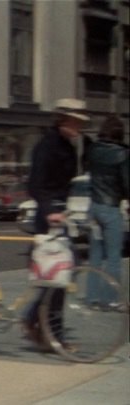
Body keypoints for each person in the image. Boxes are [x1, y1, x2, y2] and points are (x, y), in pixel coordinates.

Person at [22, 98, 89, 351]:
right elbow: (36, 185)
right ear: (61, 119)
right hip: (48, 215)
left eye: (81, 122)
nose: (78, 126)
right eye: (74, 121)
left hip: (61, 213)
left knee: (58, 274)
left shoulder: (70, 146)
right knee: (59, 274)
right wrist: (50, 211)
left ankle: (34, 322)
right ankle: (52, 333)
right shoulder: (47, 146)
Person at [85, 115, 128, 310]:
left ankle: (92, 298)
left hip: (93, 207)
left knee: (95, 255)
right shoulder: (123, 154)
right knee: (113, 257)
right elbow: (127, 184)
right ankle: (111, 299)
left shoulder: (92, 149)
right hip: (111, 208)